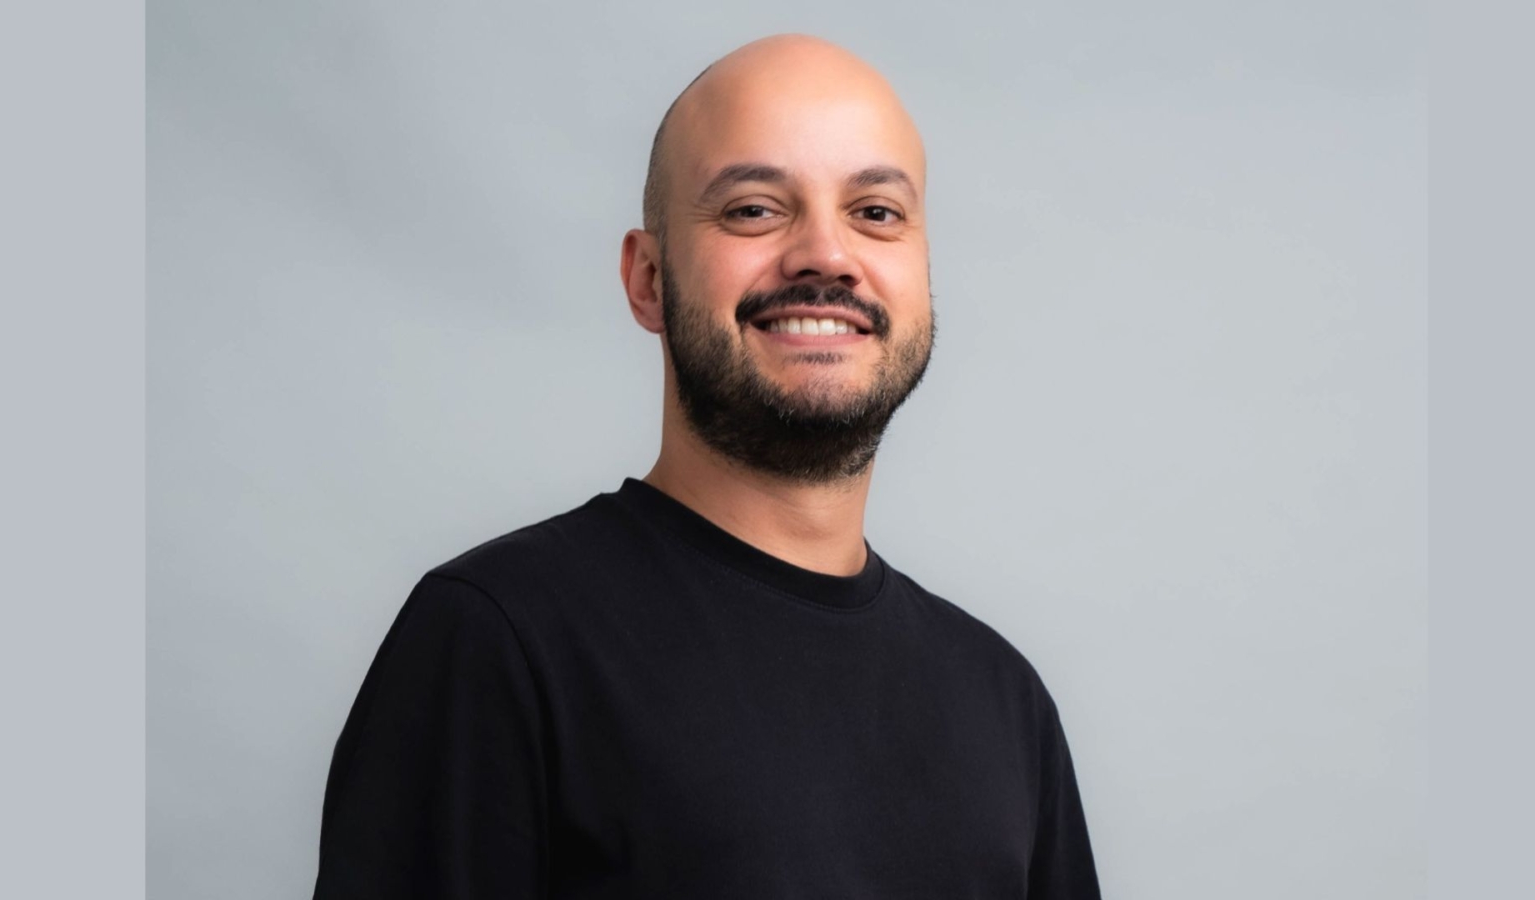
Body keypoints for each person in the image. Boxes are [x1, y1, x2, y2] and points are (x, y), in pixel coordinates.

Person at [311, 33, 1101, 899]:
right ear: (648, 280)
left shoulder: (1005, 702)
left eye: (876, 212)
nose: (826, 254)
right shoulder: (496, 640)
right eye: (754, 209)